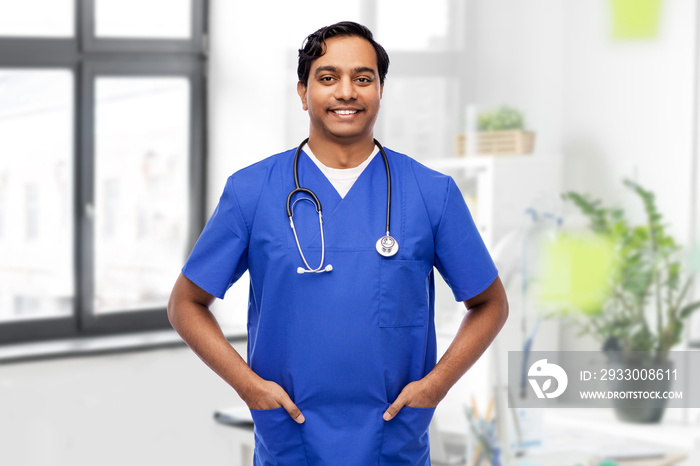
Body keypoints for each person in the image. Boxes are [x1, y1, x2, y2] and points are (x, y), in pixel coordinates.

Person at [168, 21, 508, 465]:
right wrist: (248, 386)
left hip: (392, 443)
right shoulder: (252, 191)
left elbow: (491, 304)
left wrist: (436, 385)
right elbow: (185, 304)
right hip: (292, 443)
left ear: (380, 90)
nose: (346, 91)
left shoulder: (430, 192)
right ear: (303, 91)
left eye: (362, 78)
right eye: (328, 78)